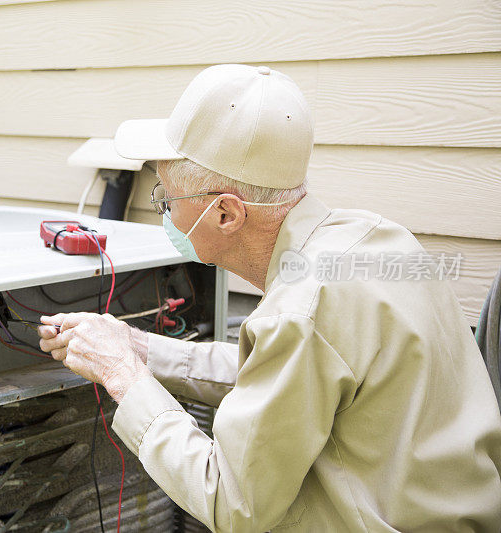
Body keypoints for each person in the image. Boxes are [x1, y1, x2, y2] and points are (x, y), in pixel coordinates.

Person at [38, 64, 501, 531]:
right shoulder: (379, 241)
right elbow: (280, 378)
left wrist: (123, 377)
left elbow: (231, 503)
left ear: (225, 213)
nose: (164, 213)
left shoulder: (299, 310)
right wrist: (140, 348)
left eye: (166, 199)